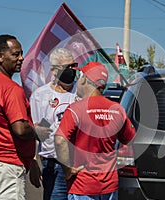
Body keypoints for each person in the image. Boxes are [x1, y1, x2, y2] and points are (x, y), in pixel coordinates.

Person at [0, 34, 49, 199]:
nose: (21, 58)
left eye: (21, 53)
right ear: (0, 57)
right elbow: (20, 129)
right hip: (7, 162)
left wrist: (31, 160)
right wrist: (38, 132)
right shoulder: (11, 89)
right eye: (15, 54)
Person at [54, 62, 136, 200]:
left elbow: (59, 140)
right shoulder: (117, 109)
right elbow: (130, 139)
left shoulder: (75, 109)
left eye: (78, 77)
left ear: (84, 79)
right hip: (109, 186)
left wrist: (67, 170)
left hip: (83, 186)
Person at [30, 48, 78, 200]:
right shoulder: (40, 96)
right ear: (54, 70)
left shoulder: (82, 90)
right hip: (54, 167)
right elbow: (36, 132)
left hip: (80, 164)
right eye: (67, 67)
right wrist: (34, 163)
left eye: (73, 66)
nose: (71, 70)